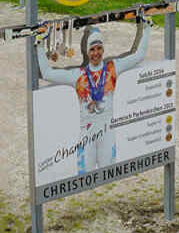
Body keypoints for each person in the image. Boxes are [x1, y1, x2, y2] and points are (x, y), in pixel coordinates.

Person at [37, 17, 153, 175]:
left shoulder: (113, 67)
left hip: (108, 130)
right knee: (84, 178)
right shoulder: (78, 75)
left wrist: (146, 27)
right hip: (87, 133)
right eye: (92, 49)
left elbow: (139, 55)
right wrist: (39, 43)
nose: (96, 53)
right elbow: (47, 73)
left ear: (103, 49)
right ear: (87, 51)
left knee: (108, 175)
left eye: (99, 48)